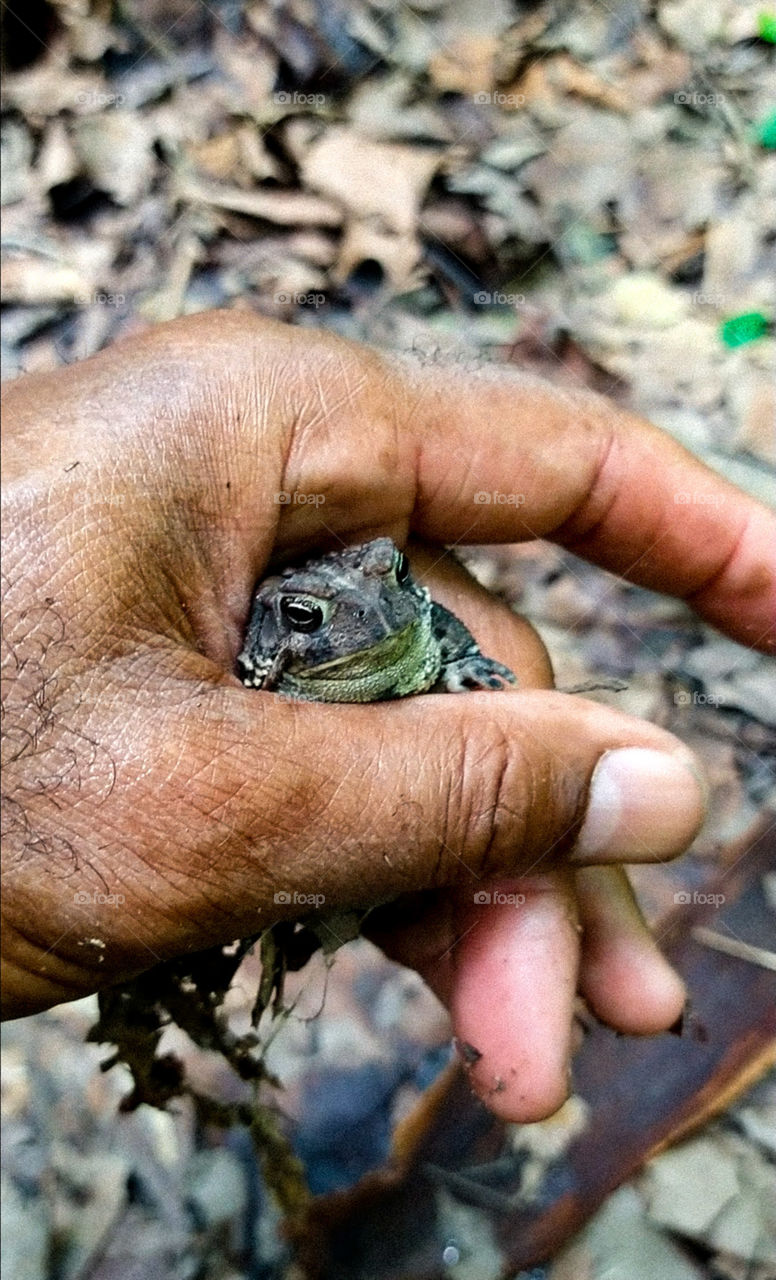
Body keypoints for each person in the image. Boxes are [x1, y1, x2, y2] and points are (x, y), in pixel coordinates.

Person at [2, 311, 773, 1121]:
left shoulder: (403, 617)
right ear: (280, 628)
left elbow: (434, 621)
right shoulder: (264, 677)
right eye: (308, 615)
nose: (372, 607)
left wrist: (465, 663)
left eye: (392, 575)